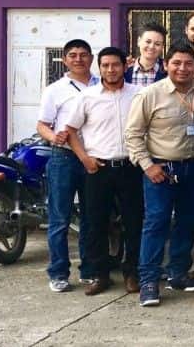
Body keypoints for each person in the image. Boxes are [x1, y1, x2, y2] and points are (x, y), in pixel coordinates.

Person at [125, 42, 194, 307]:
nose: (183, 68)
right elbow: (133, 134)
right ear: (166, 65)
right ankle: (149, 282)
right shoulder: (150, 94)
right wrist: (147, 165)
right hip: (161, 169)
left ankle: (178, 273)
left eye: (188, 63)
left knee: (188, 222)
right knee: (156, 223)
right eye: (176, 63)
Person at [64, 47, 142, 296]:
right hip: (98, 168)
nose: (111, 69)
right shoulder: (87, 97)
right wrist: (84, 157)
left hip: (131, 167)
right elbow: (70, 130)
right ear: (100, 68)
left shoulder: (139, 95)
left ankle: (132, 272)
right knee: (96, 223)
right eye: (106, 65)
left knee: (134, 222)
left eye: (115, 65)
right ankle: (100, 275)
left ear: (124, 66)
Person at [37, 39, 98, 292]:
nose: (78, 59)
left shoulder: (101, 84)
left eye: (83, 55)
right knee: (59, 218)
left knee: (91, 217)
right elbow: (42, 125)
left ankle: (89, 270)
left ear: (91, 59)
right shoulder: (55, 90)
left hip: (93, 156)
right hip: (63, 158)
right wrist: (54, 137)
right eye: (73, 55)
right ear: (65, 60)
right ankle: (59, 272)